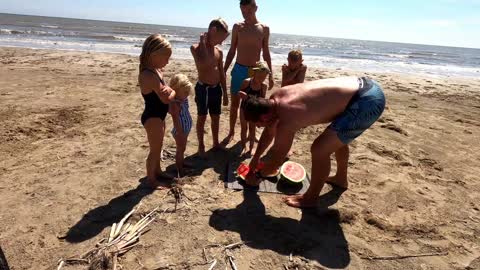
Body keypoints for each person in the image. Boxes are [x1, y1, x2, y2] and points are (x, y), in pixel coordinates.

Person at [241, 76, 386, 208]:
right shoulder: (275, 98)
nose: (259, 127)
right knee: (334, 140)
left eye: (258, 124)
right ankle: (340, 179)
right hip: (363, 85)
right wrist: (256, 158)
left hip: (367, 102)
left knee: (319, 149)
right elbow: (268, 132)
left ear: (264, 117)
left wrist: (258, 176)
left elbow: (278, 158)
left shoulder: (287, 118)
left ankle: (310, 199)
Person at [223, 0, 274, 145]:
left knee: (255, 105)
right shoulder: (238, 27)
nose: (245, 14)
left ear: (256, 8)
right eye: (242, 11)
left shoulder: (264, 28)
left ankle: (252, 134)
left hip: (256, 72)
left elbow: (266, 52)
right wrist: (225, 69)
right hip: (239, 69)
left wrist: (270, 75)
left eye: (248, 11)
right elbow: (232, 50)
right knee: (235, 104)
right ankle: (231, 131)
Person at [138, 34, 176, 189]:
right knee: (154, 150)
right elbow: (166, 98)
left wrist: (169, 91)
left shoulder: (157, 70)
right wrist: (173, 90)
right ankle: (151, 180)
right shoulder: (148, 75)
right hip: (152, 117)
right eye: (166, 57)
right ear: (154, 55)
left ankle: (158, 171)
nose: (167, 61)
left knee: (159, 147)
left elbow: (166, 93)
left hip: (159, 116)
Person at [191, 18, 230, 156]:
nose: (221, 42)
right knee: (202, 117)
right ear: (213, 31)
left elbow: (221, 73)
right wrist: (203, 42)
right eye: (221, 38)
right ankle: (201, 146)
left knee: (216, 117)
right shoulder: (195, 48)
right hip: (203, 89)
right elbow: (204, 64)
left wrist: (225, 92)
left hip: (216, 89)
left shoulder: (219, 51)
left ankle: (215, 143)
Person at [239, 61, 269, 155]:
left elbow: (262, 100)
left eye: (264, 77)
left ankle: (251, 148)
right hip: (244, 108)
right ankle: (244, 146)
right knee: (244, 128)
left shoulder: (263, 86)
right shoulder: (246, 82)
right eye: (260, 76)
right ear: (254, 73)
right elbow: (240, 94)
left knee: (252, 129)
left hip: (255, 110)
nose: (261, 79)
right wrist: (241, 95)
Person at [169, 74, 194, 177]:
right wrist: (180, 133)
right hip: (180, 130)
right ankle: (179, 167)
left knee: (183, 148)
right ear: (175, 90)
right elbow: (175, 120)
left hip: (185, 128)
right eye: (185, 92)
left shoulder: (183, 99)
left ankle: (182, 162)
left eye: (188, 92)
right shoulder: (175, 104)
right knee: (180, 149)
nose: (187, 94)